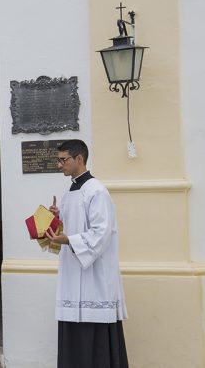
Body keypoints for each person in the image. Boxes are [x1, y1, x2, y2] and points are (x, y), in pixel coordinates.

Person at [45, 139, 128, 368]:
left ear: (79, 159)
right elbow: (77, 224)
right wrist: (58, 217)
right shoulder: (71, 190)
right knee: (74, 330)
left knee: (94, 336)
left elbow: (102, 233)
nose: (59, 164)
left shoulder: (97, 190)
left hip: (94, 277)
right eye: (58, 160)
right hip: (73, 273)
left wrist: (69, 239)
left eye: (63, 160)